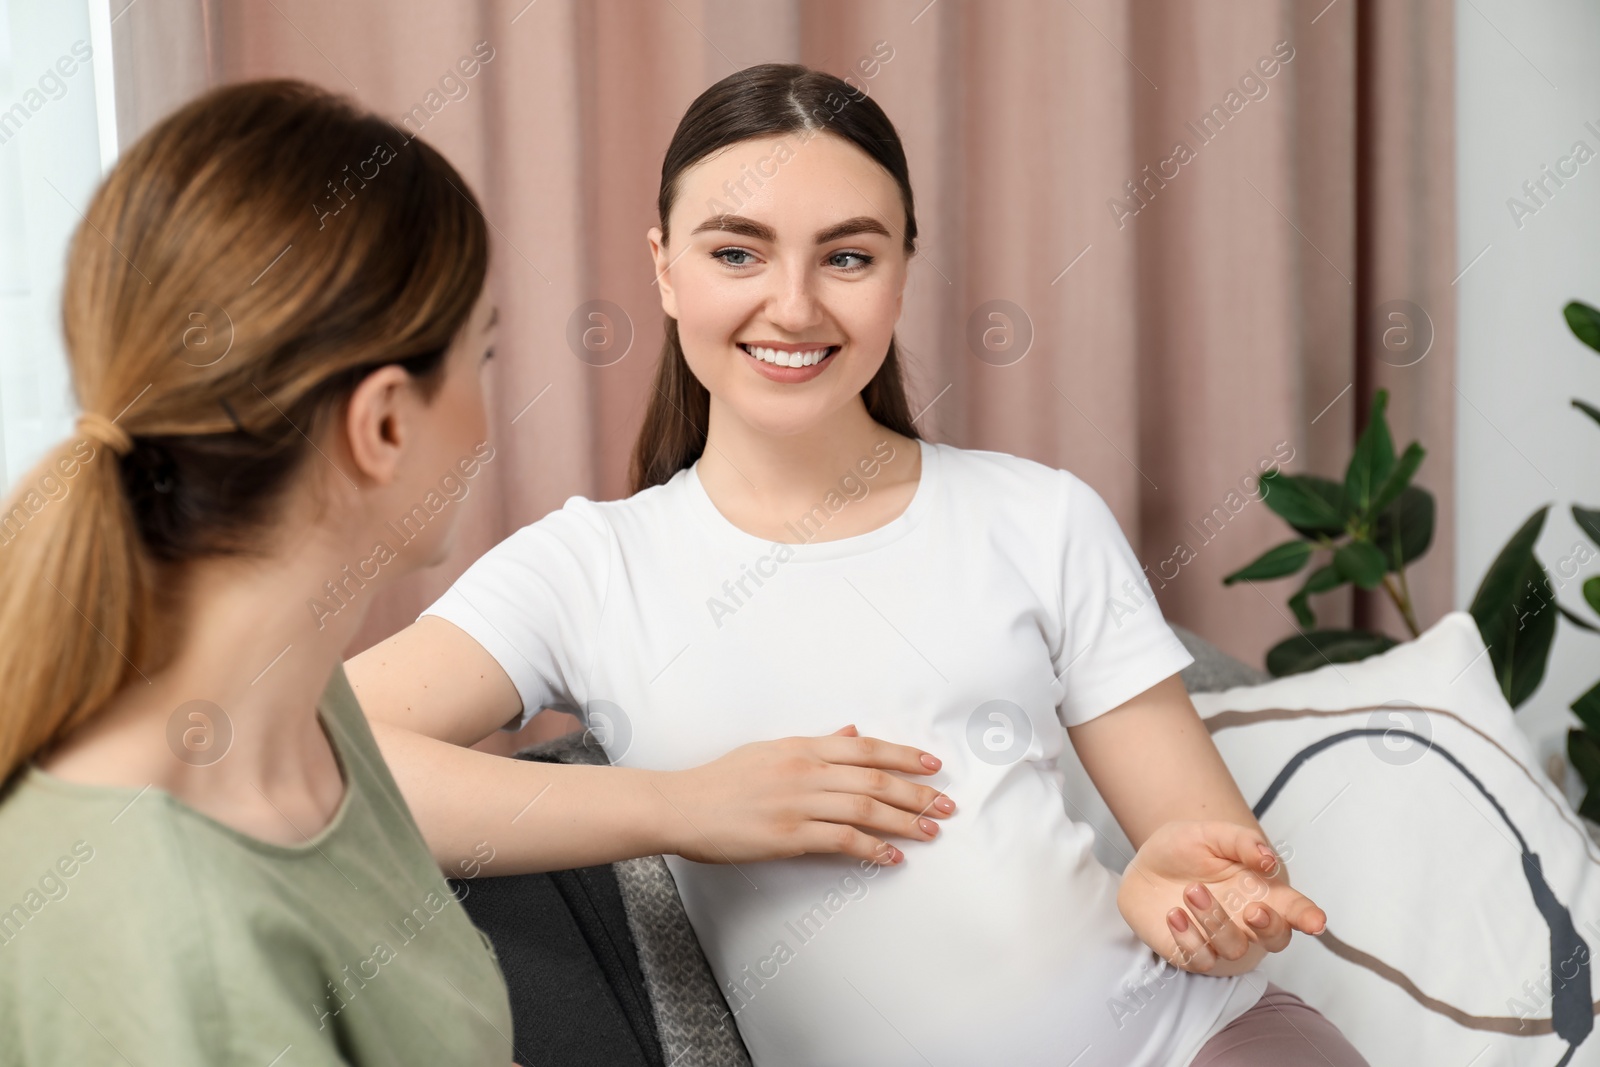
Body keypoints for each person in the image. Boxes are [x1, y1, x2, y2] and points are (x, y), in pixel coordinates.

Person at [349, 64, 1370, 1066]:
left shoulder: (1039, 514)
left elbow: (1206, 846)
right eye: (737, 253)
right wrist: (686, 805)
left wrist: (1193, 901)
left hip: (1193, 1038)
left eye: (846, 257)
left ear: (901, 271)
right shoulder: (587, 567)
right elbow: (320, 761)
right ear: (664, 267)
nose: (793, 308)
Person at [0, 77, 944, 1067]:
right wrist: (686, 805)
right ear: (386, 425)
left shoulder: (309, 726)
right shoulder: (139, 916)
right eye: (480, 360)